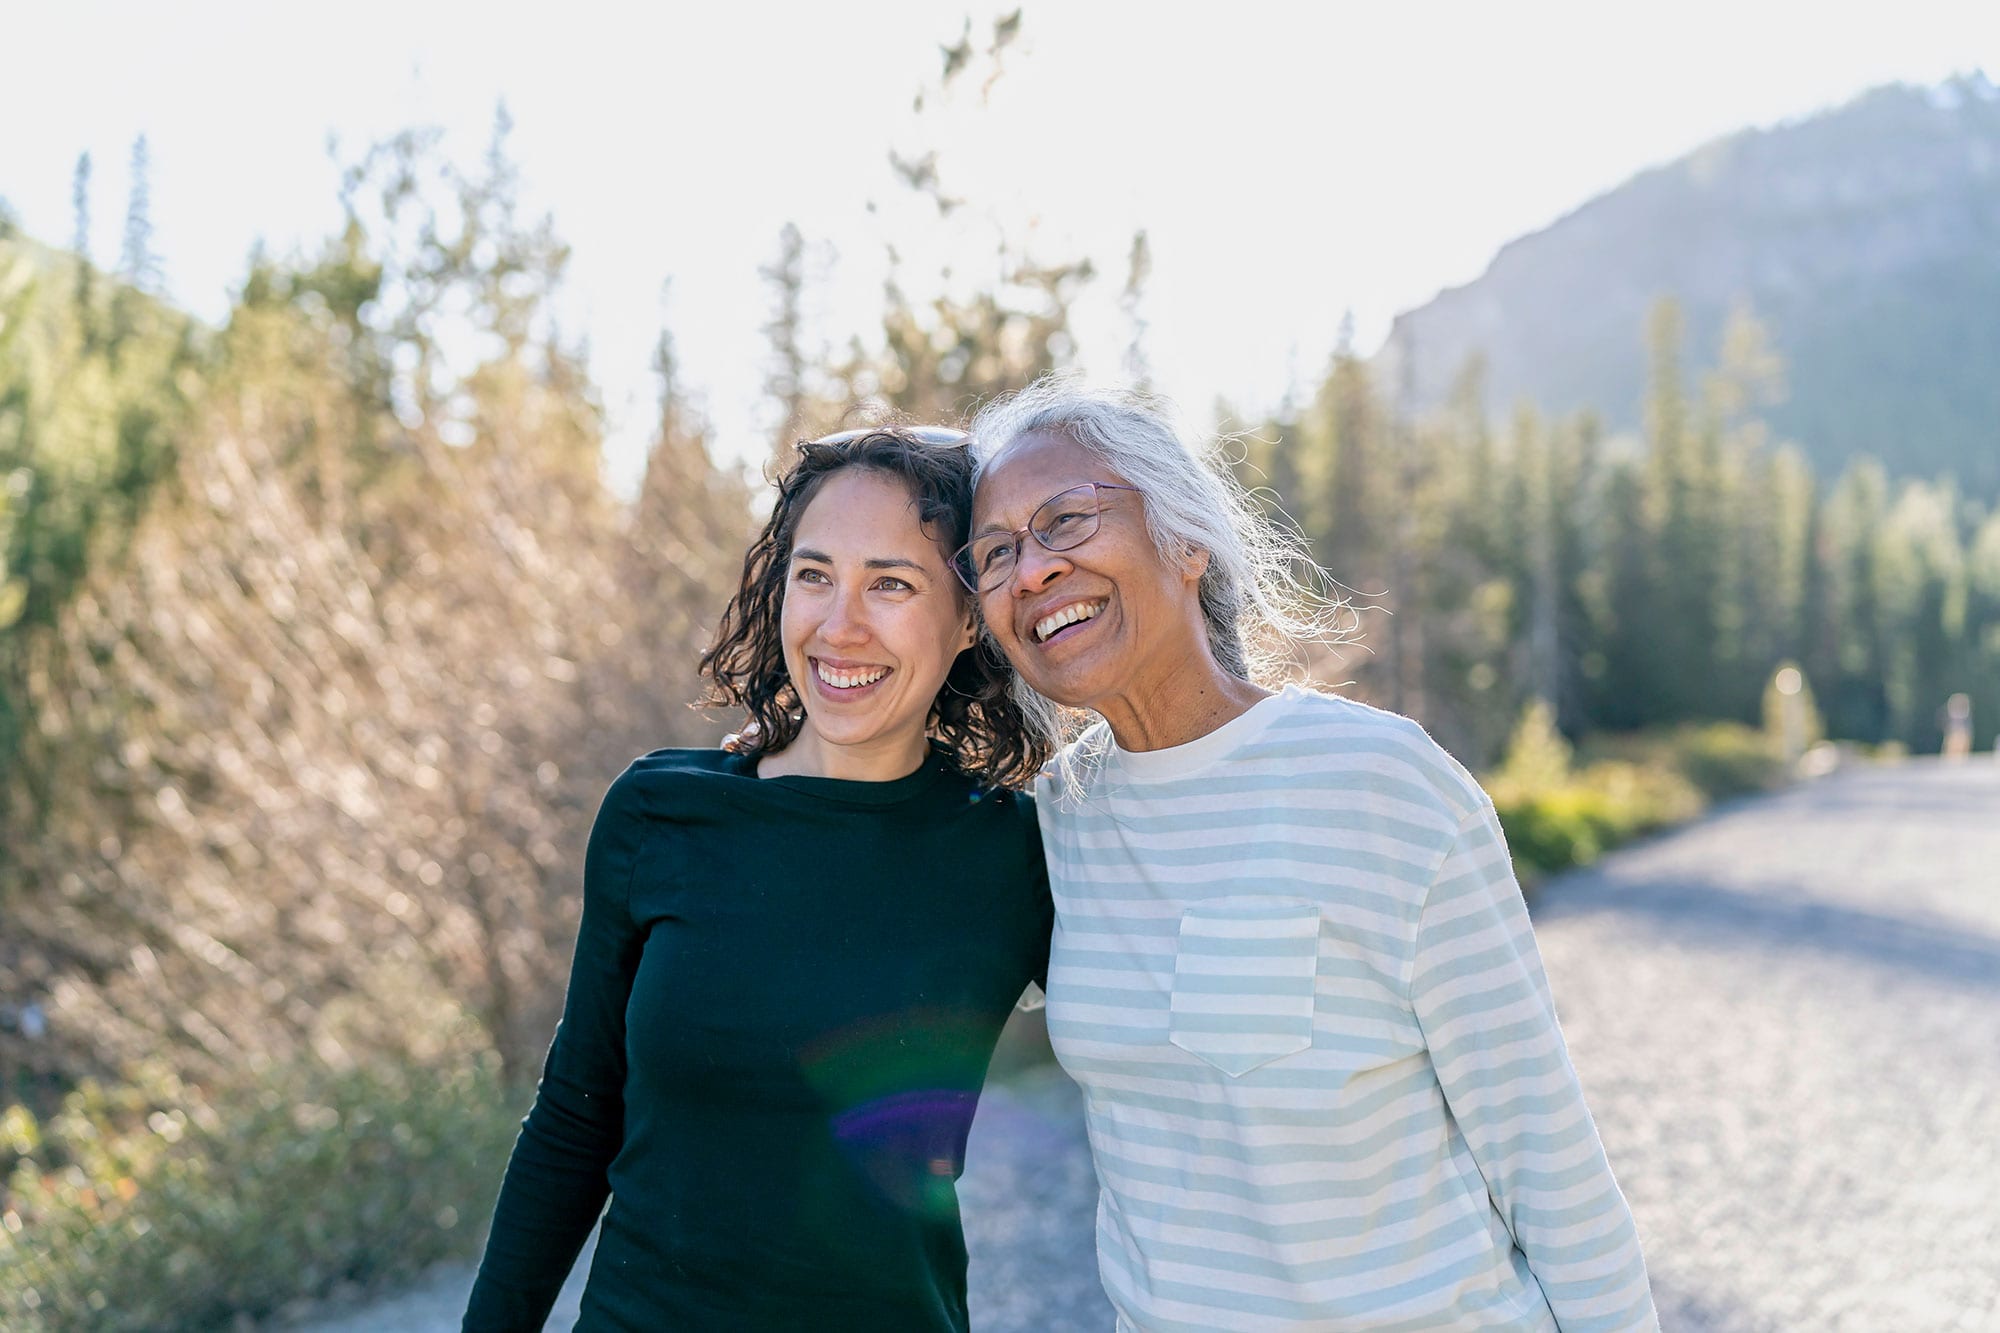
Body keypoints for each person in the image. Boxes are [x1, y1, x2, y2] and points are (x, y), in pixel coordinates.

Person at [959, 380, 1659, 1331]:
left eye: (1067, 520)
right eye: (995, 552)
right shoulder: (1057, 822)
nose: (1031, 569)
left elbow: (1548, 1158)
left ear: (1187, 542)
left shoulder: (1381, 783)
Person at [461, 426, 1053, 1332]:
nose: (839, 624)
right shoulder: (661, 814)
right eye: (814, 574)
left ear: (971, 617)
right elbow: (578, 1113)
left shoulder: (1018, 849)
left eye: (891, 582)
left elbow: (1163, 1066)